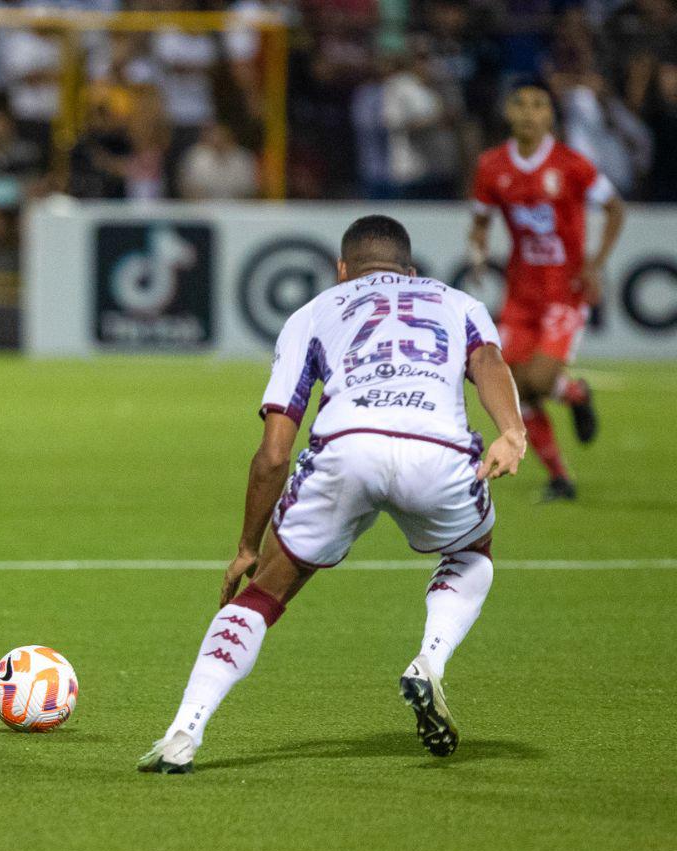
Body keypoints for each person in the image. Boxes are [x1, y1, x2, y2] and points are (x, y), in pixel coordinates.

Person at [139, 215, 526, 773]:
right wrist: (511, 432)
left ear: (342, 270)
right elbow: (488, 360)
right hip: (435, 449)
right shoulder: (458, 301)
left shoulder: (314, 312)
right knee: (471, 554)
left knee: (265, 594)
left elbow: (274, 453)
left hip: (347, 448)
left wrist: (249, 547)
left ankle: (184, 731)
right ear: (411, 270)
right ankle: (429, 661)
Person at [468, 78, 625, 502]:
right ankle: (560, 475)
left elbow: (614, 208)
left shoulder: (573, 164)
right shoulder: (491, 166)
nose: (528, 112)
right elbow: (481, 221)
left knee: (535, 379)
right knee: (515, 390)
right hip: (521, 292)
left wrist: (594, 264)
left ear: (549, 114)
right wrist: (478, 253)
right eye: (520, 103)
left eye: (538, 105)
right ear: (508, 111)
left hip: (565, 290)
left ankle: (572, 392)